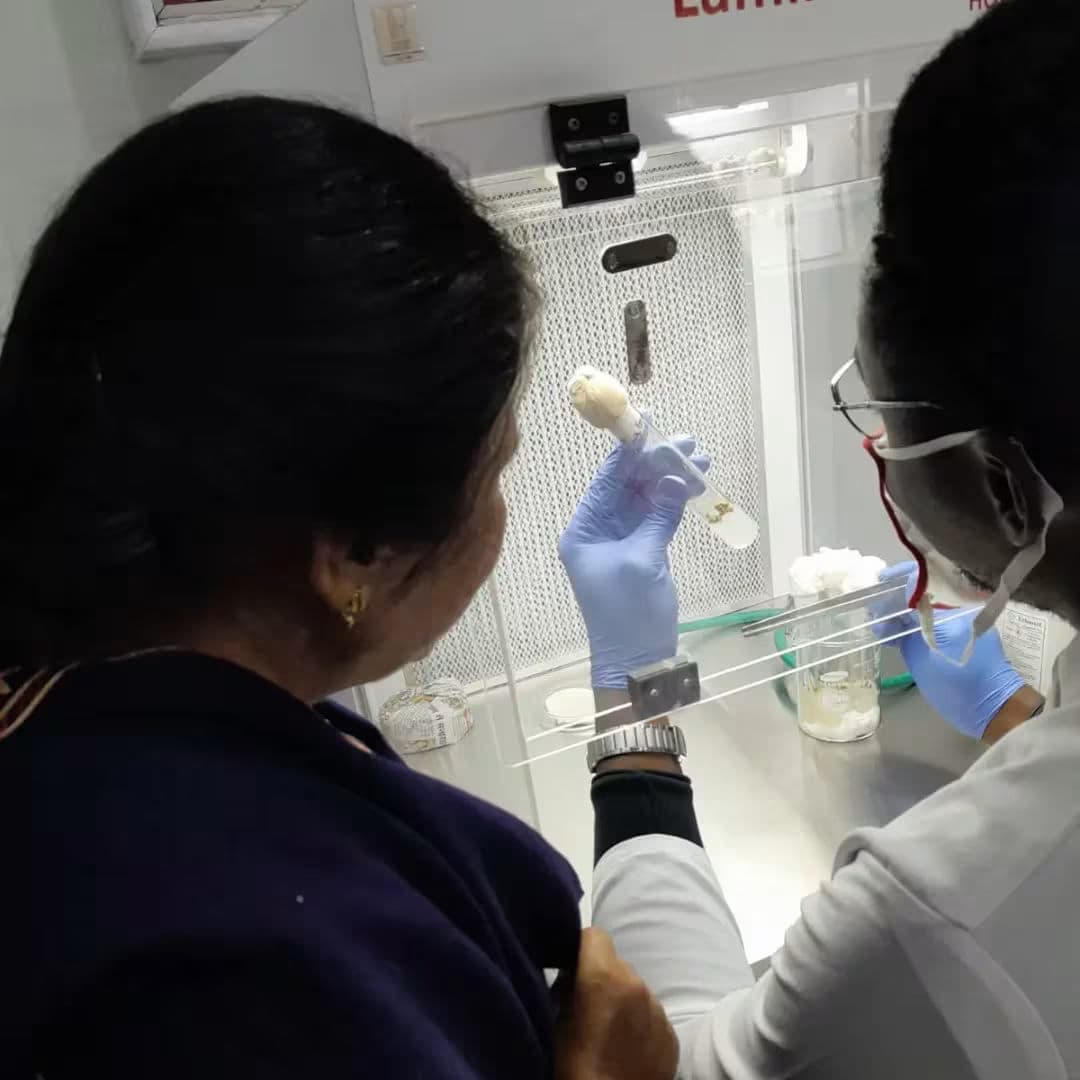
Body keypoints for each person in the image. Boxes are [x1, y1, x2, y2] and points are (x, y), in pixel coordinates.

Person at [0, 97, 679, 1080]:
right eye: (497, 470)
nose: (500, 505)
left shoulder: (84, 715)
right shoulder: (260, 973)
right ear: (355, 556)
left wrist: (638, 694)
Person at [558, 0, 1080, 1075]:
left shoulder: (921, 918)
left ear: (1005, 484)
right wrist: (1015, 714)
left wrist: (636, 705)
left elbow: (672, 1054)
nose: (879, 448)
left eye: (884, 421)